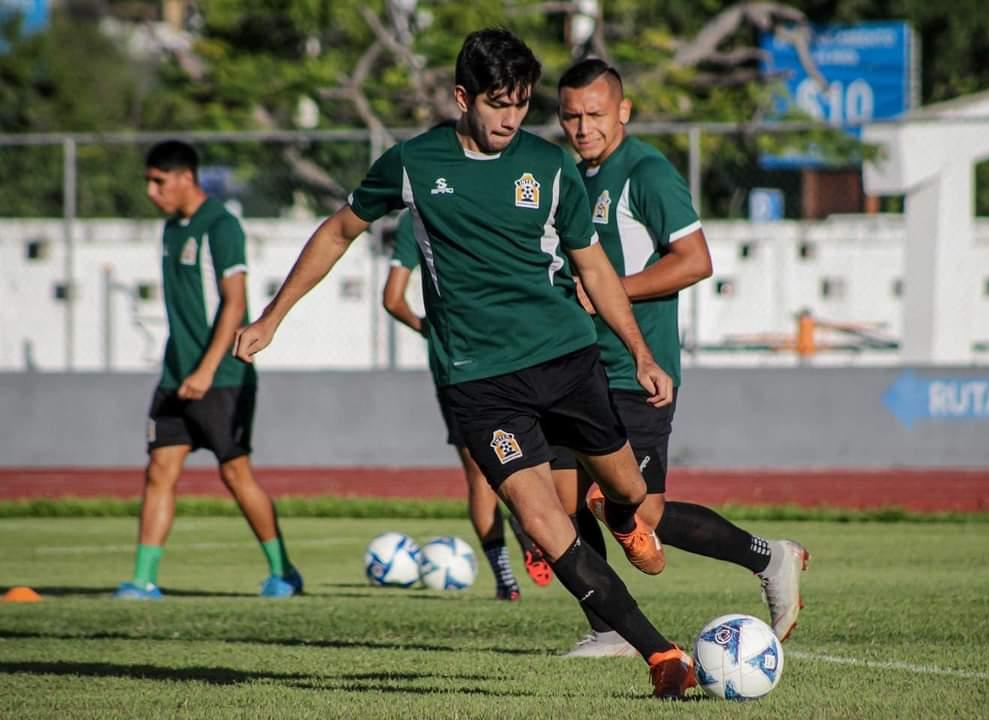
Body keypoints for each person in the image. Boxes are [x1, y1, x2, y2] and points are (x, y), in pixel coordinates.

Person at [234, 28, 696, 698]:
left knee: (627, 491)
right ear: (462, 97)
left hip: (566, 359)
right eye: (497, 103)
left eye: (520, 103)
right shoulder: (412, 165)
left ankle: (624, 519)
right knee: (544, 520)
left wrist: (641, 354)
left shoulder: (548, 166)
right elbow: (338, 231)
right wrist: (273, 317)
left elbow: (593, 266)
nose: (511, 117)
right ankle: (660, 656)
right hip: (477, 381)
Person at [555, 58, 809, 656]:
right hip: (576, 367)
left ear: (623, 110)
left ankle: (769, 559)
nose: (583, 126)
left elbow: (695, 260)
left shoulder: (645, 172)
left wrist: (608, 290)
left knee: (642, 510)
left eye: (595, 114)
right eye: (571, 116)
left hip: (632, 370)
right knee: (557, 501)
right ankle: (611, 627)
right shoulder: (576, 177)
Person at [114, 140, 302, 600]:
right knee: (160, 469)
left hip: (221, 378)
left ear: (185, 178)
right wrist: (183, 372)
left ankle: (283, 573)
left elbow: (234, 301)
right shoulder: (170, 230)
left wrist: (205, 369)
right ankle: (143, 580)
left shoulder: (220, 225)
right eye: (148, 181)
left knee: (235, 474)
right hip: (174, 376)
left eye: (158, 181)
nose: (151, 191)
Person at [381, 211, 559, 599]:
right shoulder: (485, 207)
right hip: (517, 354)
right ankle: (529, 523)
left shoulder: (417, 219)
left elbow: (392, 299)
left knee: (481, 475)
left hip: (458, 367)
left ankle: (505, 581)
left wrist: (433, 332)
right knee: (532, 461)